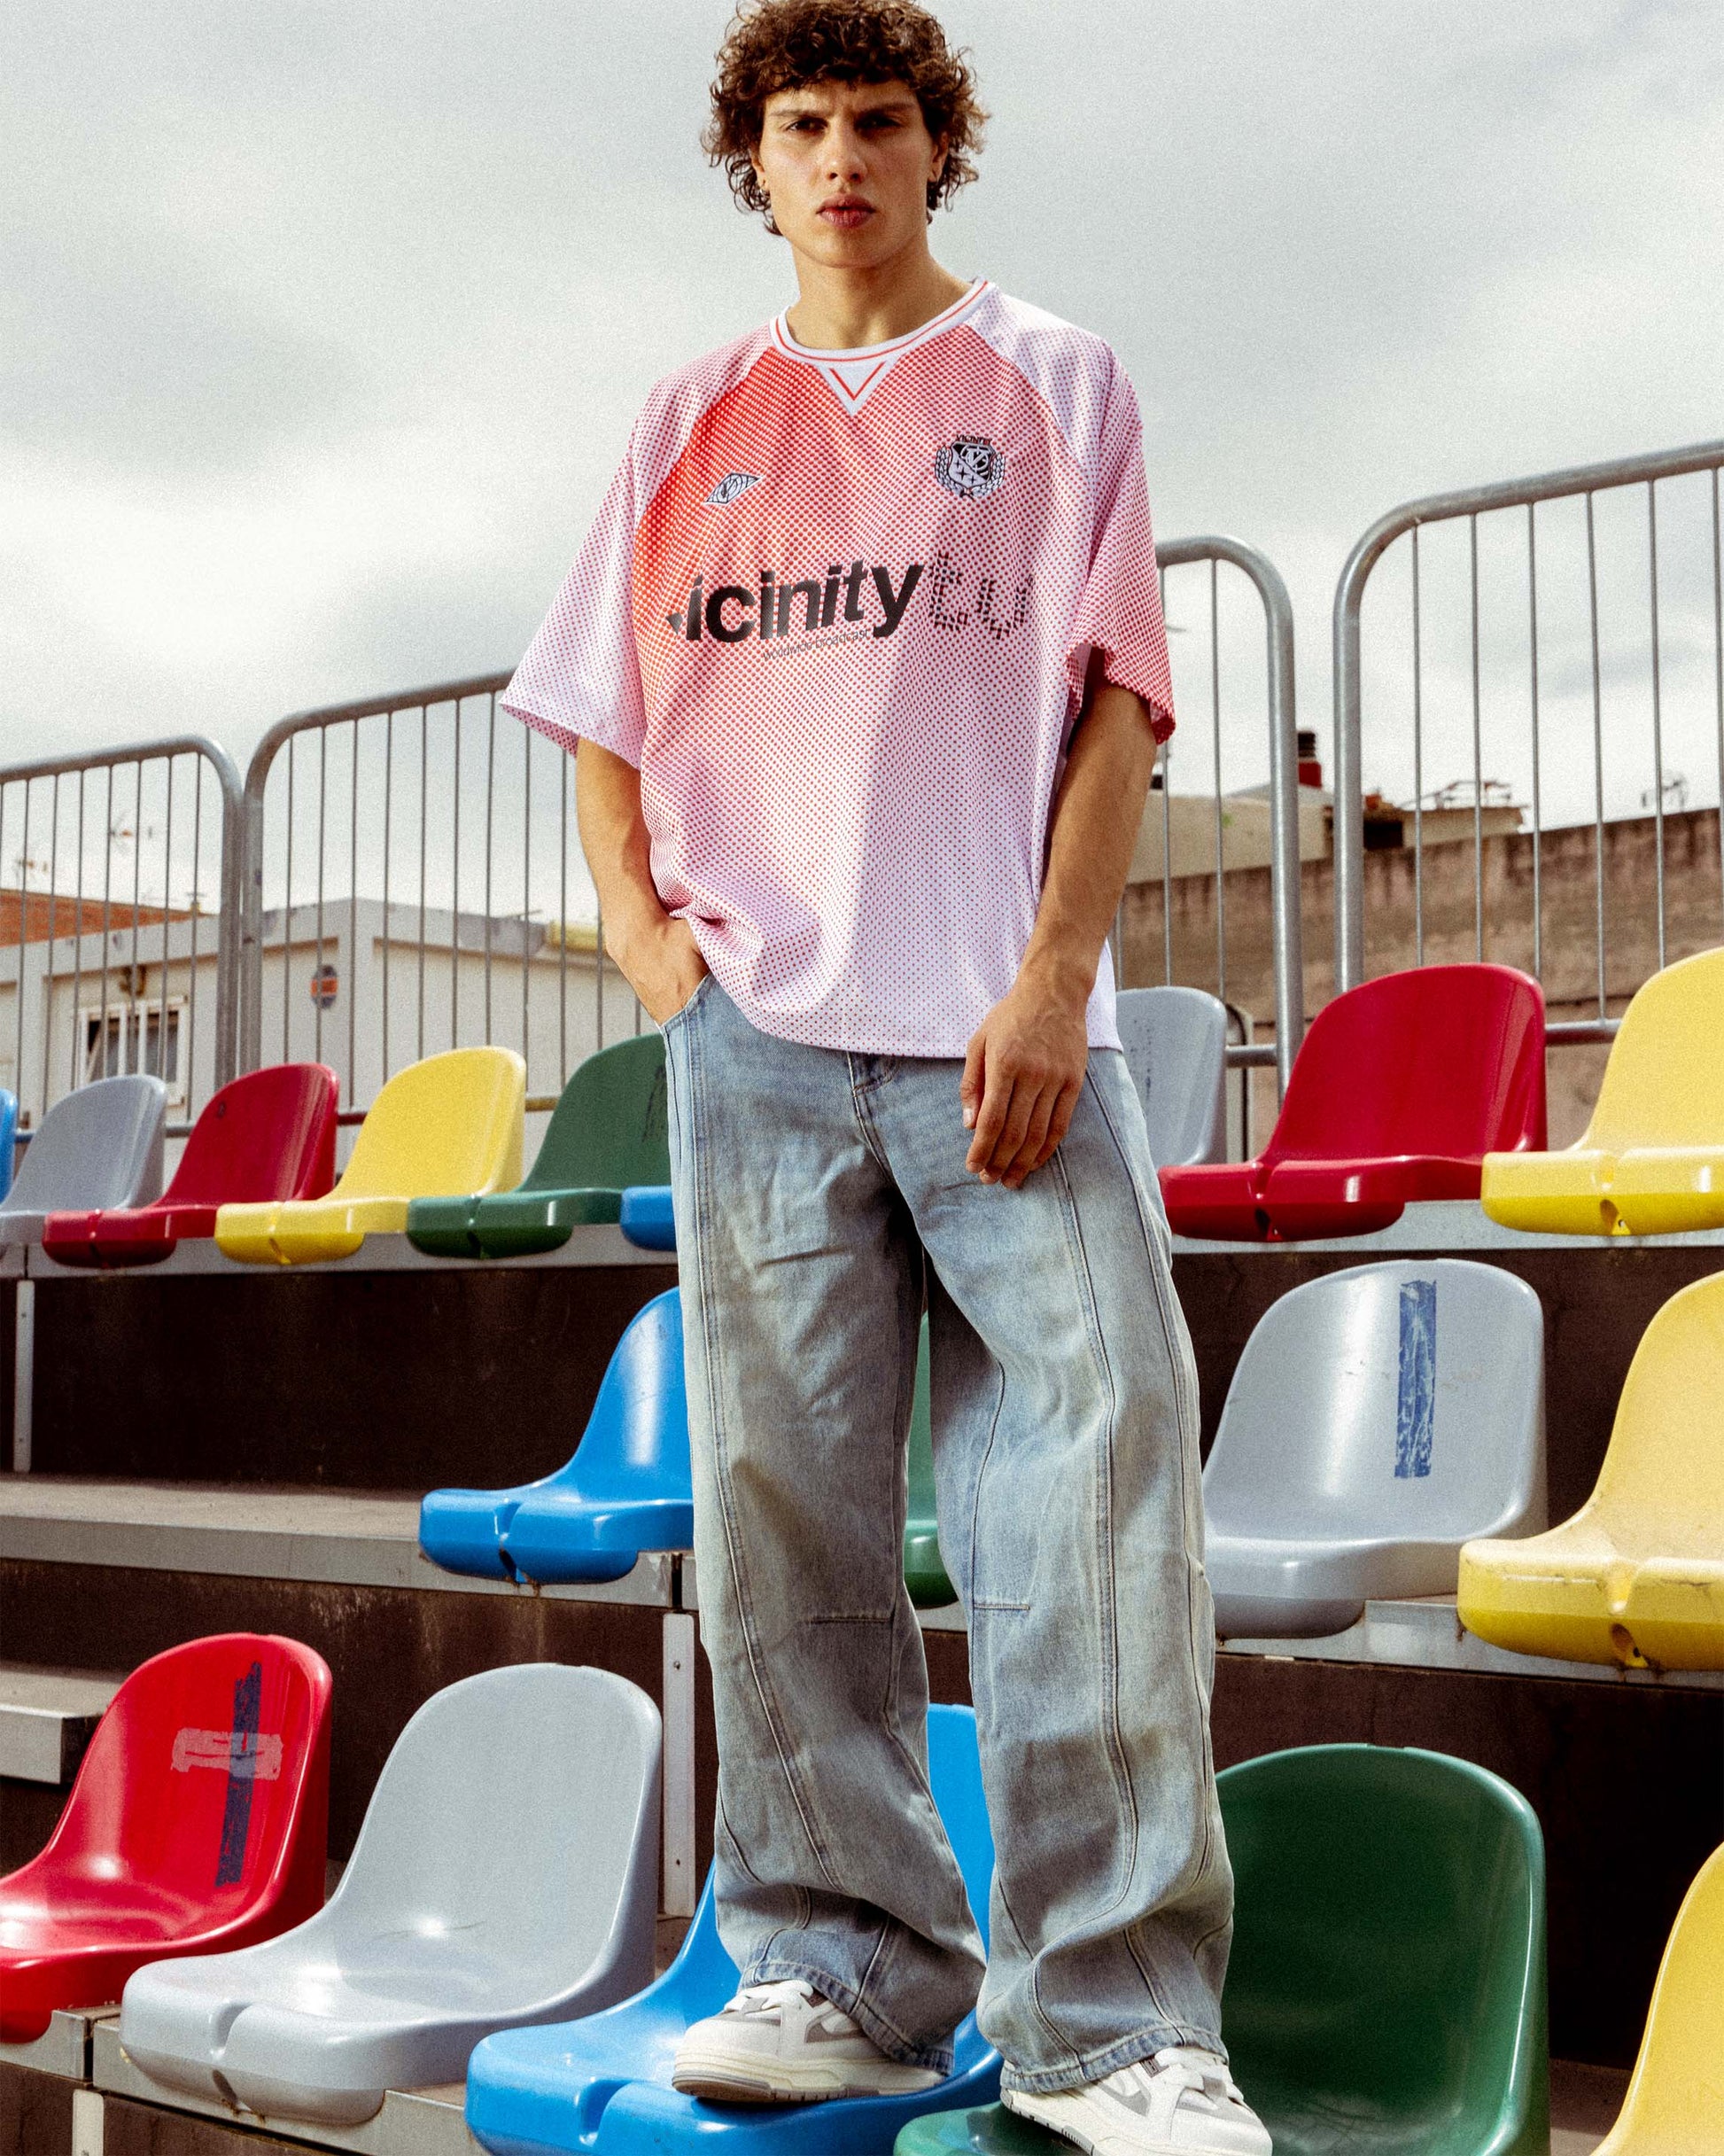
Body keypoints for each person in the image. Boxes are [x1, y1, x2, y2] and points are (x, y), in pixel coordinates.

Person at [502, 4, 1269, 2149]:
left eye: (879, 119)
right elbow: (602, 723)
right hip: (754, 1042)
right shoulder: (688, 416)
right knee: (782, 1524)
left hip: (1000, 1034)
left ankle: (1112, 2025)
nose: (840, 154)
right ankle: (845, 1969)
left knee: (1095, 1513)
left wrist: (1055, 974)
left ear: (940, 149)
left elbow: (1117, 706)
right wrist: (653, 949)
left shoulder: (1054, 377)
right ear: (753, 162)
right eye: (801, 123)